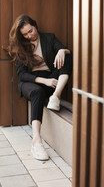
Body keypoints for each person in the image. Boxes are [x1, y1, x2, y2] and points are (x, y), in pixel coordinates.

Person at [8, 14, 72, 161]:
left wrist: (63, 50)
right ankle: (36, 141)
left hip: (52, 80)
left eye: (31, 31)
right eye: (25, 34)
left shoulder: (49, 38)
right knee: (38, 92)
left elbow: (64, 51)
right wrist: (44, 81)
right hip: (31, 82)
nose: (29, 36)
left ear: (35, 25)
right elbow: (22, 75)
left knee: (68, 56)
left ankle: (56, 96)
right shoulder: (21, 47)